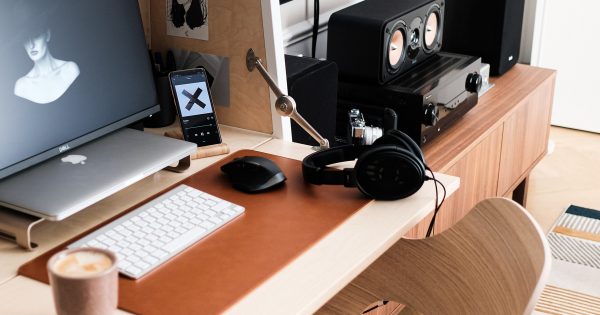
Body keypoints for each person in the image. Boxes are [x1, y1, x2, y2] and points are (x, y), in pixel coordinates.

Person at [13, 1, 80, 104]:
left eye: (36, 36)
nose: (31, 45)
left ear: (47, 35)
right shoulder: (22, 87)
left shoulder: (70, 70)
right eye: (26, 39)